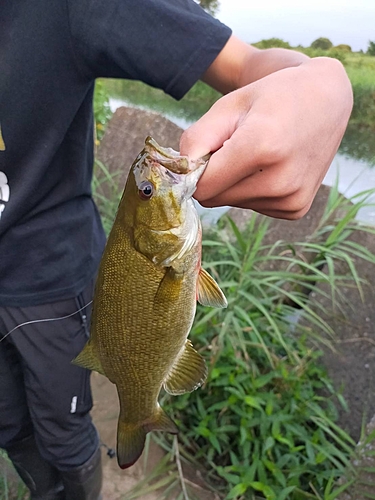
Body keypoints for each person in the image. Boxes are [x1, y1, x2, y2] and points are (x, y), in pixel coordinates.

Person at [0, 0, 352, 499]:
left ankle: (90, 470)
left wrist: (321, 82)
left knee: (64, 427)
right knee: (8, 422)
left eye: (144, 192)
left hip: (48, 280)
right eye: (146, 189)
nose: (150, 175)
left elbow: (249, 65)